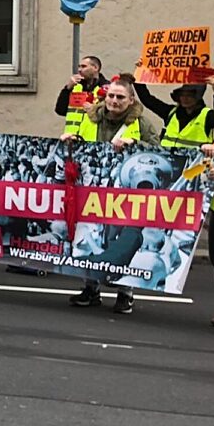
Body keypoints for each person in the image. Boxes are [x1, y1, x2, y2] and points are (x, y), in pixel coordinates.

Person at [61, 74, 147, 314]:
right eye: (111, 96)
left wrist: (136, 145)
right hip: (93, 192)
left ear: (130, 100)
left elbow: (157, 152)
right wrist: (70, 139)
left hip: (124, 195)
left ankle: (125, 292)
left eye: (120, 97)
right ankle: (91, 288)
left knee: (120, 239)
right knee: (91, 237)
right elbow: (78, 141)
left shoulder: (141, 124)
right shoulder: (90, 118)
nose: (114, 101)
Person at [55, 56, 108, 135]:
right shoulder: (76, 87)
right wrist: (67, 88)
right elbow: (60, 110)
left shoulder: (106, 88)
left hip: (93, 140)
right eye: (79, 67)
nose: (79, 70)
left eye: (83, 66)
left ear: (95, 68)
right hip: (71, 137)